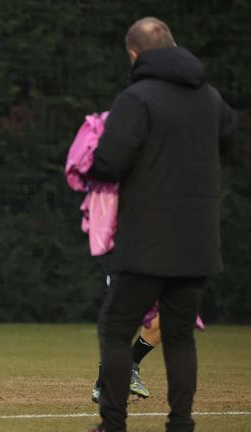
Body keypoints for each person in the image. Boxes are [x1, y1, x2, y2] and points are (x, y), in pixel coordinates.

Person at [87, 17, 236, 432]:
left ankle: (113, 424)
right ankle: (181, 424)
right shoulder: (211, 98)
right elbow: (229, 141)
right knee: (180, 335)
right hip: (200, 242)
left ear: (134, 55)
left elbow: (108, 163)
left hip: (146, 241)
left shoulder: (137, 98)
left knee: (115, 329)